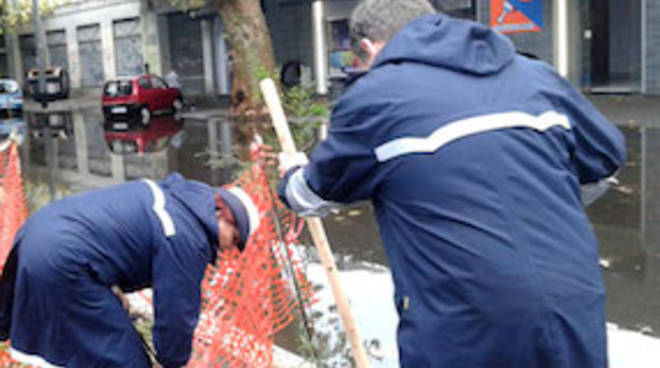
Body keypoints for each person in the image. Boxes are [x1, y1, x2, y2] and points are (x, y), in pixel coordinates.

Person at [278, 0, 626, 367]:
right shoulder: (536, 76)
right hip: (572, 312)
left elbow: (311, 194)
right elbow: (605, 160)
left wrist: (290, 174)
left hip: (464, 328)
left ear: (366, 48)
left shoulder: (376, 96)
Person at [0, 172, 260, 367]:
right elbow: (176, 313)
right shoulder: (187, 236)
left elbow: (113, 241)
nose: (228, 250)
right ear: (223, 213)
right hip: (64, 260)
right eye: (234, 240)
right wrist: (172, 361)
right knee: (126, 361)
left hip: (37, 232)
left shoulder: (169, 198)